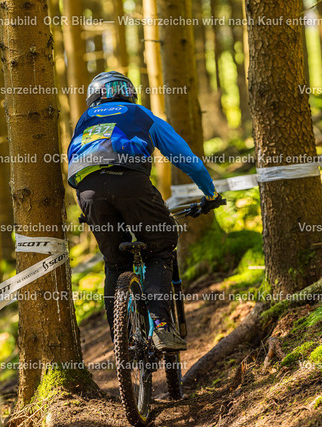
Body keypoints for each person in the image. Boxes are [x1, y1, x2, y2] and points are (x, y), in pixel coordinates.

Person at [67, 71, 222, 352]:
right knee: (161, 245)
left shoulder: (84, 120)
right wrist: (210, 194)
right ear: (129, 93)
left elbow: (75, 162)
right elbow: (188, 160)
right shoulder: (141, 114)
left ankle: (121, 341)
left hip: (88, 192)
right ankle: (160, 326)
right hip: (131, 183)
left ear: (93, 96)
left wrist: (90, 207)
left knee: (115, 264)